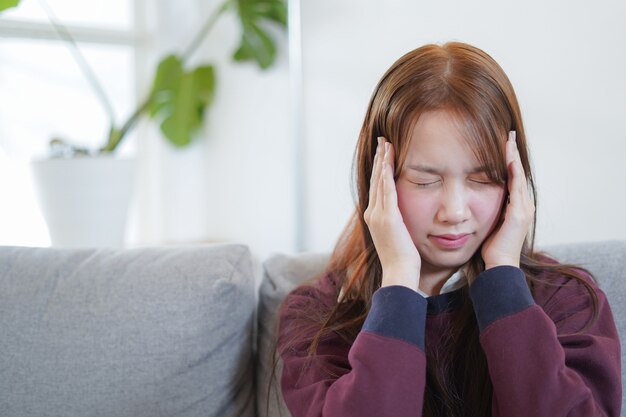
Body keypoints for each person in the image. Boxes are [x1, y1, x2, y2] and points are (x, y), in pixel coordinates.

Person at [276, 42, 622, 417]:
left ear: (513, 180)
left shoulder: (568, 300)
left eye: (483, 179)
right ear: (379, 179)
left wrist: (504, 274)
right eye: (425, 181)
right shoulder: (318, 313)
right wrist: (399, 280)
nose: (455, 212)